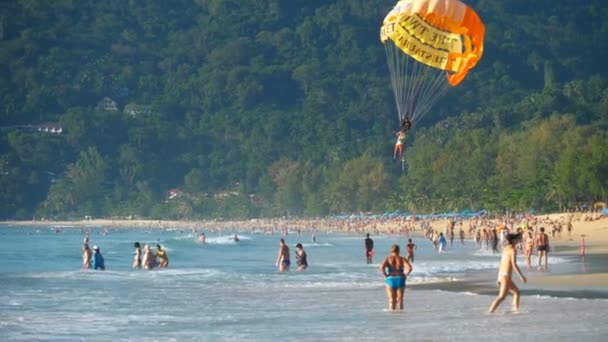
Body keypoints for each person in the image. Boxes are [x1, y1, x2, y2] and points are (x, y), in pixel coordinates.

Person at [488, 233, 527, 313]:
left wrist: (499, 278)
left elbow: (503, 262)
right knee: (501, 297)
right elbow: (514, 265)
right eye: (516, 240)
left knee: (516, 292)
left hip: (501, 275)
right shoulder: (513, 250)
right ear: (512, 240)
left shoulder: (505, 248)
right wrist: (521, 276)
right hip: (506, 276)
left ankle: (515, 310)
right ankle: (490, 312)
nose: (518, 241)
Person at [380, 244, 413, 311]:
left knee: (391, 300)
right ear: (398, 250)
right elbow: (409, 268)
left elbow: (381, 268)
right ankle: (400, 318)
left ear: (391, 250)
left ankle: (392, 318)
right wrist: (405, 275)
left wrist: (386, 275)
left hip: (390, 279)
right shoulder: (401, 259)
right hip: (400, 279)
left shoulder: (388, 258)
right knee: (400, 300)